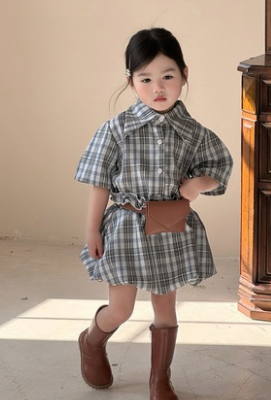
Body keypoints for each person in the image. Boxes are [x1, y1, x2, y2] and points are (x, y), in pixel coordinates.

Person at [74, 27, 233, 400]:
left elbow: (220, 170)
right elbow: (99, 183)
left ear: (184, 75)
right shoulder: (116, 130)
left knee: (165, 306)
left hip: (169, 225)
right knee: (121, 309)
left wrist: (197, 185)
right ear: (131, 81)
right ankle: (92, 341)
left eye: (167, 76)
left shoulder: (194, 133)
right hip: (126, 227)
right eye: (145, 78)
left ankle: (160, 379)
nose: (158, 87)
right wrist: (92, 230)